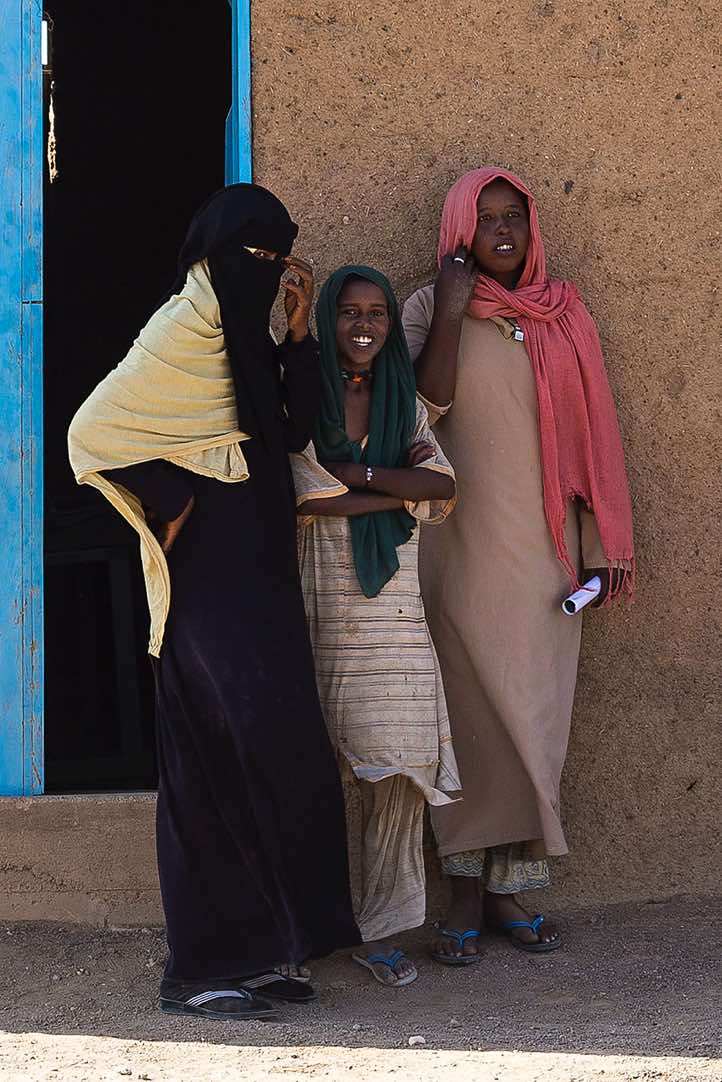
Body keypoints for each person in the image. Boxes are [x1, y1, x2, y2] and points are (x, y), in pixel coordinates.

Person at [68, 184, 360, 1019]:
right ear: (210, 257)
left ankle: (268, 948)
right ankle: (197, 970)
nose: (262, 274)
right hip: (208, 591)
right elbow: (89, 434)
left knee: (274, 755)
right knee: (216, 766)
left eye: (275, 261)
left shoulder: (239, 342)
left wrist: (297, 336)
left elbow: (293, 431)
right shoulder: (177, 334)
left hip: (260, 580)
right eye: (252, 259)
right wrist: (170, 496)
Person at [402, 167, 635, 964]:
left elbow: (593, 445)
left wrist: (601, 555)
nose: (502, 232)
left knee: (535, 717)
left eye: (515, 219)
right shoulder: (428, 309)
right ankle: (463, 890)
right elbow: (416, 410)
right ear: (460, 229)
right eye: (486, 219)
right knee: (466, 715)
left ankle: (510, 890)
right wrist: (454, 303)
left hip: (546, 558)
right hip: (456, 550)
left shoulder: (564, 316)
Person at [291, 265, 460, 987]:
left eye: (378, 314)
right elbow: (302, 495)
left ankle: (387, 926)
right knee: (315, 768)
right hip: (320, 605)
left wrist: (356, 479)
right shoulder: (305, 399)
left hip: (394, 616)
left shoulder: (403, 404)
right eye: (349, 313)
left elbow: (444, 486)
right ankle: (308, 922)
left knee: (396, 767)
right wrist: (393, 491)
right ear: (328, 320)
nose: (364, 325)